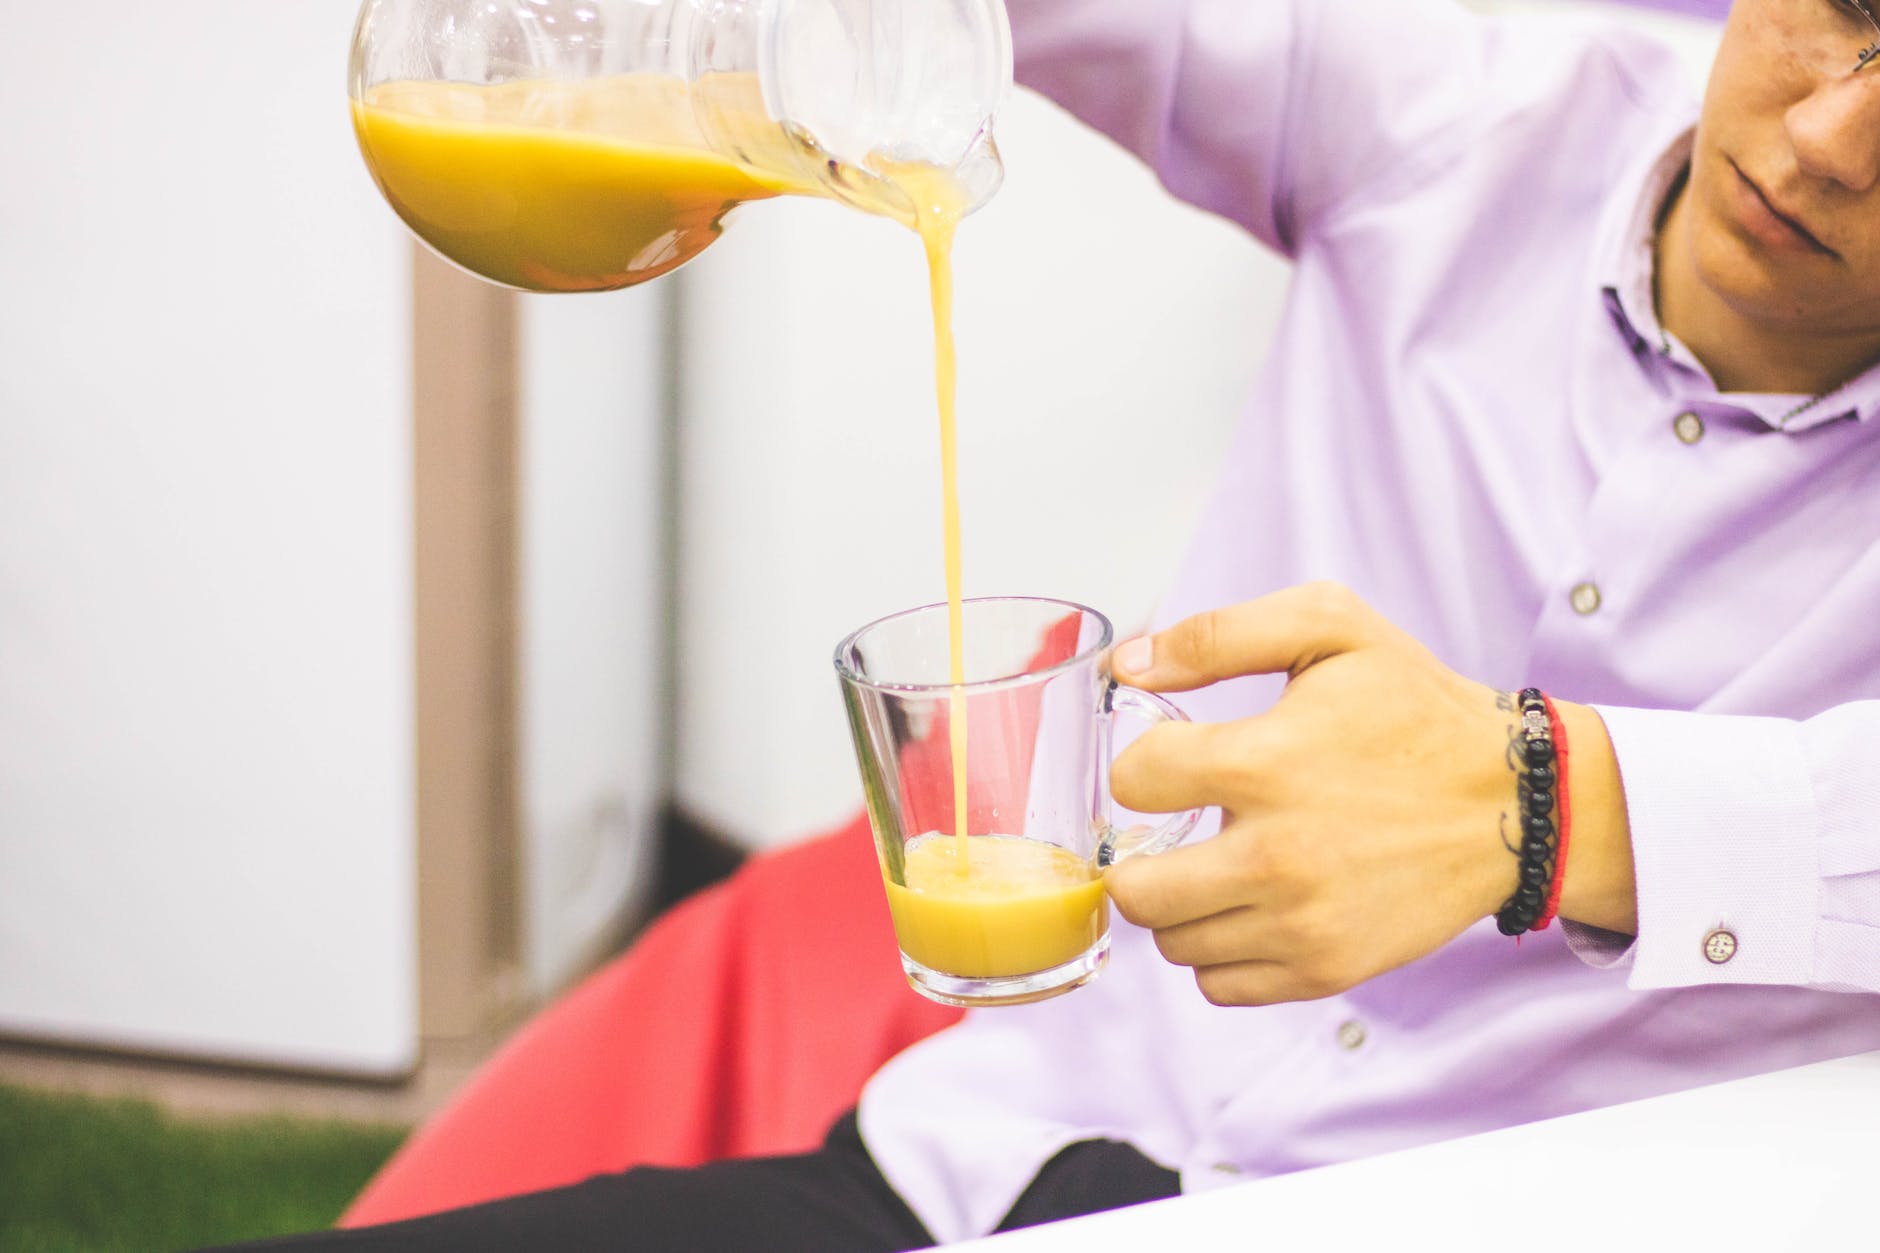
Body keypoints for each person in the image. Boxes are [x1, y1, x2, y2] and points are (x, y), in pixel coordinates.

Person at [219, 0, 1880, 1247]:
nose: (1828, 139)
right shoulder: (1485, 104)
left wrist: (1553, 804)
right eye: (1845, 11)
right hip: (988, 1156)